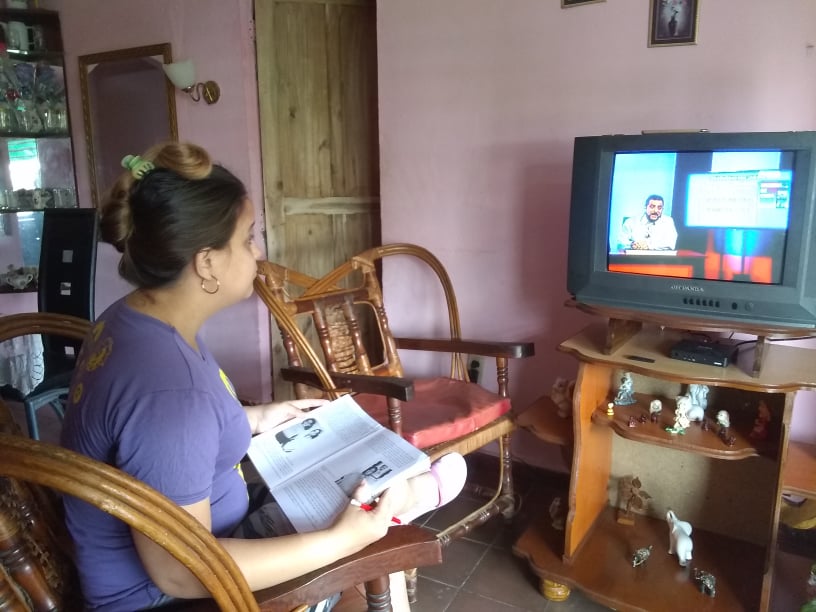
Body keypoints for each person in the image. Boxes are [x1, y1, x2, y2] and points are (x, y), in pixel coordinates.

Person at [60, 142, 467, 612]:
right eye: (249, 237)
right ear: (206, 262)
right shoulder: (172, 394)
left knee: (356, 502)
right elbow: (181, 571)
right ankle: (409, 499)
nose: (258, 252)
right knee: (371, 544)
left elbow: (155, 436)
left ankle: (405, 496)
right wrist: (342, 542)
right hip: (171, 597)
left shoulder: (132, 321)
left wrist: (253, 418)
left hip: (209, 532)